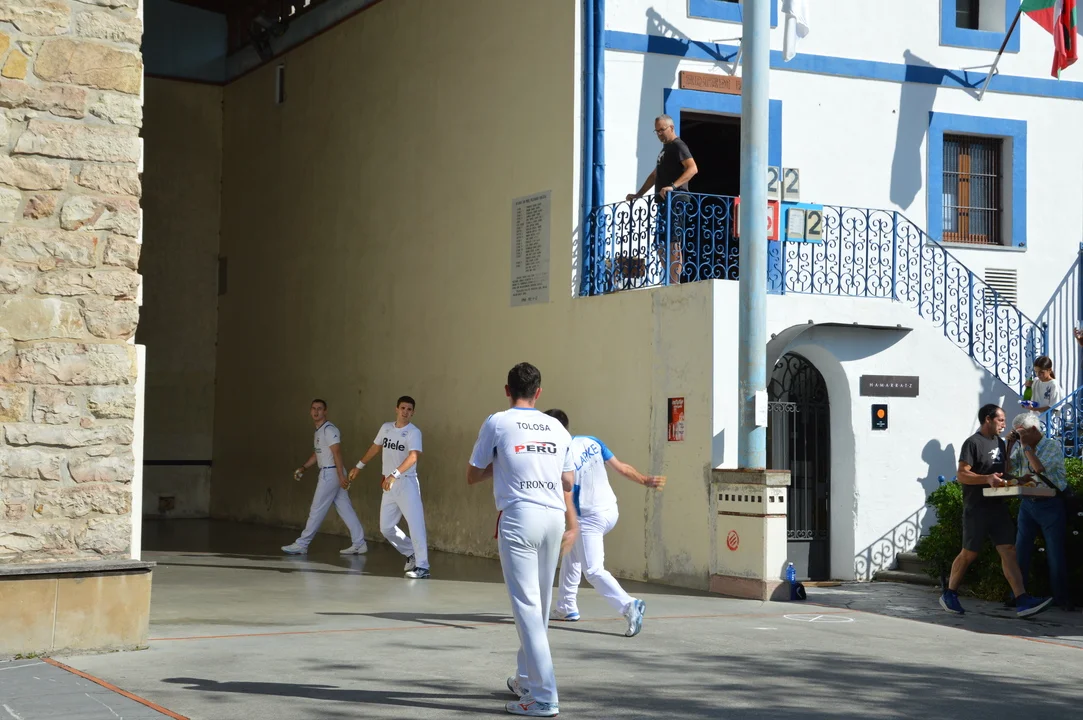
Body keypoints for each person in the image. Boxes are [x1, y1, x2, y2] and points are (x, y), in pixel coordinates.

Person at [467, 363, 577, 718]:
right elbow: (568, 482)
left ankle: (544, 697)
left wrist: (502, 465)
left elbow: (472, 474)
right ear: (539, 392)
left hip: (520, 518)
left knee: (528, 609)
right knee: (539, 607)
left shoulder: (497, 421)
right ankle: (526, 679)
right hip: (553, 518)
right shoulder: (557, 427)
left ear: (507, 390)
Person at [543, 409, 665, 637]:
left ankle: (629, 605)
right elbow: (622, 468)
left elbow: (567, 494)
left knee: (593, 570)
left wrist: (572, 526)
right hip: (610, 510)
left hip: (589, 518)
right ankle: (566, 607)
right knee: (572, 555)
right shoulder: (591, 441)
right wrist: (644, 480)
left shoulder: (559, 458)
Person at [939, 404, 1052, 618]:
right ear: (988, 419)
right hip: (977, 507)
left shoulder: (999, 443)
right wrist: (986, 478)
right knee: (969, 553)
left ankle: (1022, 600)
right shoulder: (973, 443)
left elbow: (1001, 473)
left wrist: (1019, 479)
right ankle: (949, 593)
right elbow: (962, 474)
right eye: (1000, 420)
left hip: (997, 506)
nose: (1004, 424)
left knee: (1008, 549)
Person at [349, 396, 429, 579]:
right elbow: (375, 448)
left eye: (409, 409)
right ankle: (411, 553)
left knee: (416, 525)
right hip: (389, 484)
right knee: (386, 527)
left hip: (406, 483)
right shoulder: (386, 428)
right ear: (396, 409)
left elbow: (413, 457)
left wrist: (394, 474)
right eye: (403, 408)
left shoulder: (414, 432)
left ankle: (423, 567)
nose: (405, 412)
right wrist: (359, 466)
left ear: (413, 413)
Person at [282, 399, 367, 555]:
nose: (316, 411)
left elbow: (337, 453)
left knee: (316, 509)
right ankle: (359, 543)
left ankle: (302, 544)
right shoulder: (318, 431)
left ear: (325, 411)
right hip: (331, 472)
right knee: (345, 509)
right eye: (313, 408)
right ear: (310, 411)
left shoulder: (329, 429)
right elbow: (317, 454)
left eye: (319, 409)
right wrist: (304, 467)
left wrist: (340, 476)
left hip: (331, 473)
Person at [1007, 412, 1070, 610]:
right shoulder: (1021, 447)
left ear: (1034, 429)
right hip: (1028, 503)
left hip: (1050, 503)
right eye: (1016, 433)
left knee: (1055, 553)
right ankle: (1018, 595)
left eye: (1021, 432)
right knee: (1021, 550)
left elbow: (1039, 469)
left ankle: (1061, 598)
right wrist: (1009, 445)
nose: (1019, 437)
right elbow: (1007, 470)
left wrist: (1025, 447)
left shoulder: (1051, 445)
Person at [626, 114, 698, 286]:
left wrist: (673, 186)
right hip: (663, 202)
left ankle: (674, 282)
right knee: (660, 242)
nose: (659, 134)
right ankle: (668, 279)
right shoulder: (665, 149)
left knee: (673, 241)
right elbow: (655, 175)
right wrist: (638, 194)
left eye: (662, 130)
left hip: (676, 200)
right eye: (656, 131)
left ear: (671, 128)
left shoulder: (678, 145)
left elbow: (693, 168)